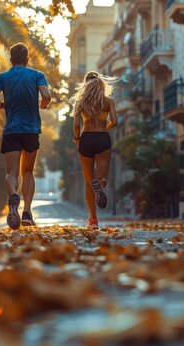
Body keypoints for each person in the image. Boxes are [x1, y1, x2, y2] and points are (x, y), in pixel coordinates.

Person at [0, 43, 51, 230]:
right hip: (31, 130)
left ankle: (13, 197)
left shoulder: (3, 77)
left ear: (11, 60)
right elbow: (46, 95)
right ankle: (27, 213)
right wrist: (43, 104)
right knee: (28, 172)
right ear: (27, 59)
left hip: (12, 130)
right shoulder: (37, 75)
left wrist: (0, 106)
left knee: (11, 173)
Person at [71, 71, 118, 228]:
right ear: (100, 84)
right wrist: (105, 127)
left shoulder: (81, 102)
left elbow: (77, 125)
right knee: (102, 177)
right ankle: (101, 184)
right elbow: (115, 121)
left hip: (86, 139)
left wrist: (77, 140)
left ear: (85, 85)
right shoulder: (108, 101)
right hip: (102, 139)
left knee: (88, 181)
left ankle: (93, 220)